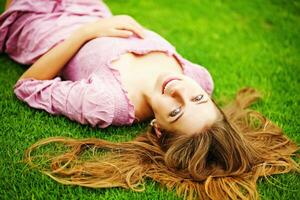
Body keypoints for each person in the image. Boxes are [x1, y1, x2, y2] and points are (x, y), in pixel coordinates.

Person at [1, 0, 298, 199]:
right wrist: (98, 23)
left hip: (42, 24)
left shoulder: (107, 102)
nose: (179, 90)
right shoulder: (199, 77)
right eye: (198, 98)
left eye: (177, 112)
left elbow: (27, 85)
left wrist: (86, 34)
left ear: (157, 127)